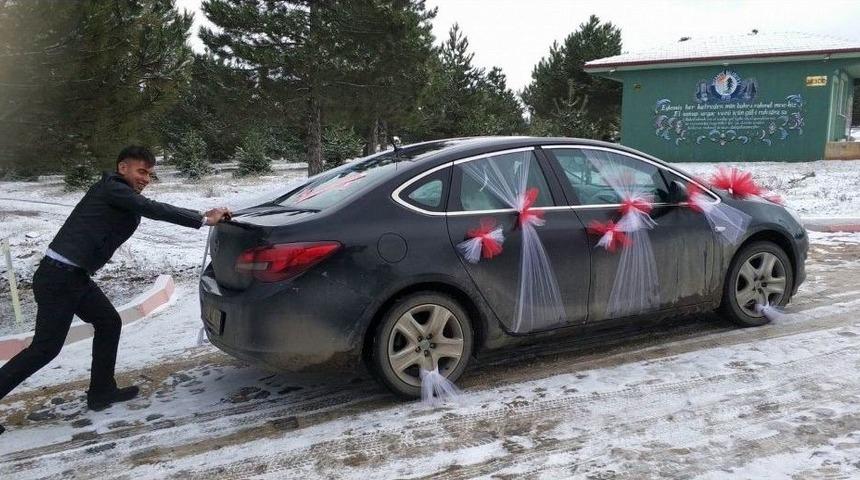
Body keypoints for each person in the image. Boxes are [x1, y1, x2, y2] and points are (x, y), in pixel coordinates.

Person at [0, 146, 231, 435]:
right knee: (45, 349)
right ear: (123, 168)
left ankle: (102, 391)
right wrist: (202, 218)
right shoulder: (112, 188)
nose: (146, 178)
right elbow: (153, 209)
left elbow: (143, 207)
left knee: (109, 322)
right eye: (141, 171)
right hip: (59, 278)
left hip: (74, 276)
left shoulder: (120, 194)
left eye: (150, 174)